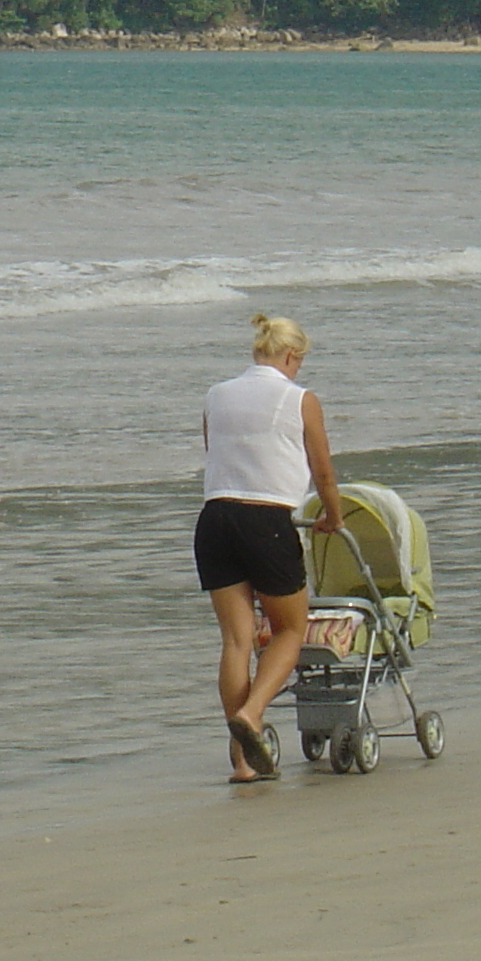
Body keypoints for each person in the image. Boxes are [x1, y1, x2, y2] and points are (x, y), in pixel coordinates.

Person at [196, 313, 343, 783]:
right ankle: (253, 714)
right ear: (290, 356)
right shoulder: (300, 399)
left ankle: (242, 763)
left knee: (237, 640)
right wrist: (333, 517)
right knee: (289, 629)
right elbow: (322, 471)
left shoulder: (217, 395)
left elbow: (214, 452)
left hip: (214, 518)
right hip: (266, 520)